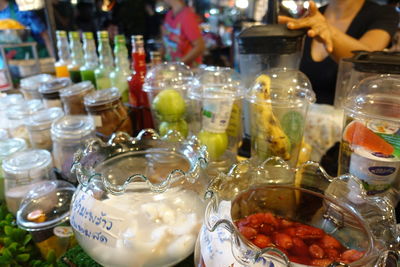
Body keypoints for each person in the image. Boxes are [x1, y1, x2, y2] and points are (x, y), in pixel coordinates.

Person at [279, 0, 399, 105]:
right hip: (304, 120)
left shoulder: (383, 14)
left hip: (349, 121)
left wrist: (327, 29)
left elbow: (367, 59)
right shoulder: (312, 17)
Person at [162, 0, 205, 66]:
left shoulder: (187, 16)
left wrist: (178, 65)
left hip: (188, 71)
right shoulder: (169, 14)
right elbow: (166, 40)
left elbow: (199, 47)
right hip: (173, 69)